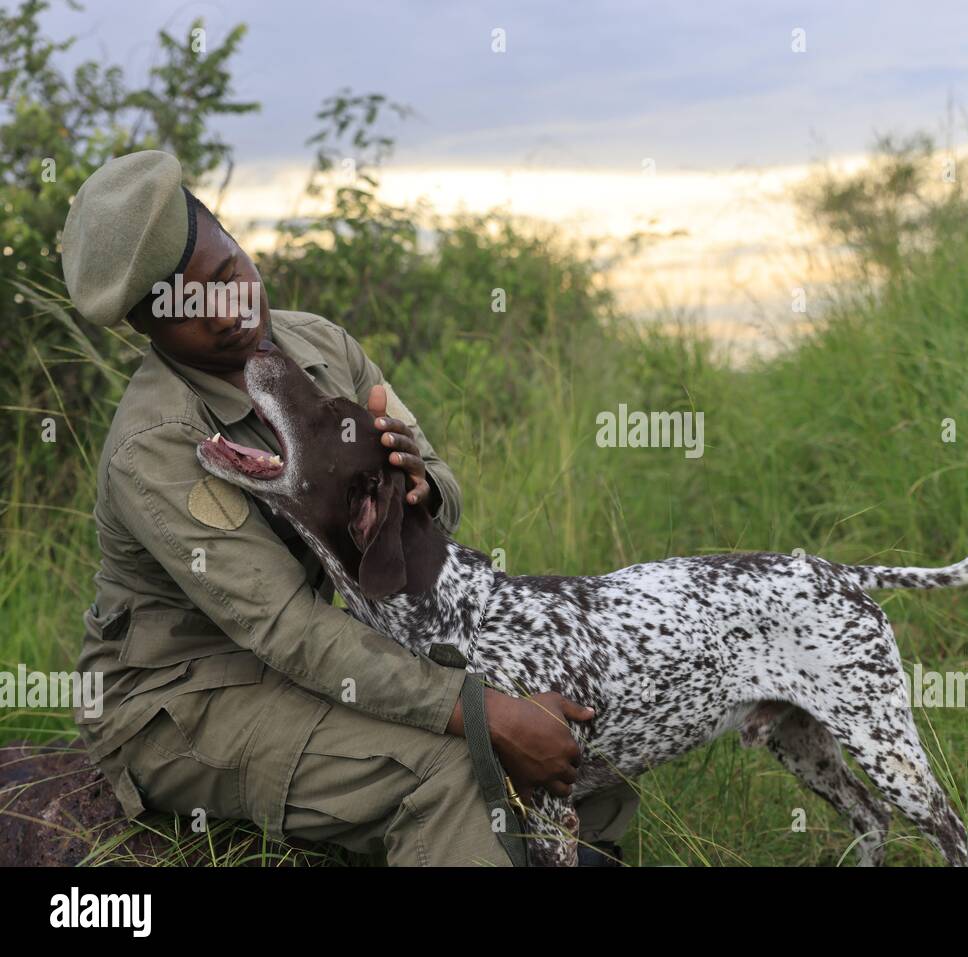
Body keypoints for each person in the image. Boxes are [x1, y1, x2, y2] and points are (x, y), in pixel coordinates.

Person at [61, 150, 636, 865]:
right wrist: (484, 712)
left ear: (238, 243)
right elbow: (287, 627)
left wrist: (418, 487)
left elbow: (441, 493)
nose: (229, 313)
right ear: (149, 334)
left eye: (226, 275)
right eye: (186, 312)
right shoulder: (158, 445)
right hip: (187, 695)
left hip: (299, 654)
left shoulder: (319, 345)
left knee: (582, 730)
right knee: (452, 769)